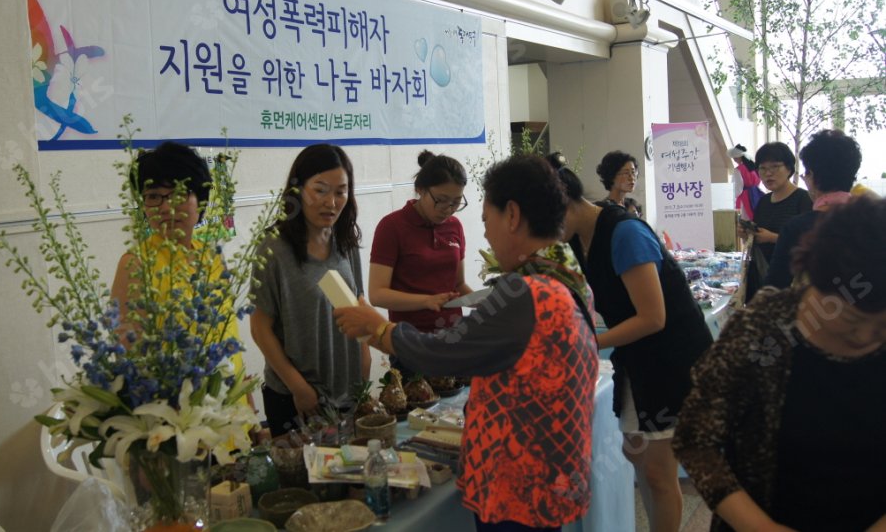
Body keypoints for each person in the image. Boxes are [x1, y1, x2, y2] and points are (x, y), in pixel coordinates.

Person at [335, 155, 599, 532]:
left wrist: (379, 331)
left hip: (519, 483)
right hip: (552, 470)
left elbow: (443, 354)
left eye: (487, 221)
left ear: (512, 215)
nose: (487, 235)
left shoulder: (525, 290)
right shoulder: (567, 272)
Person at [673, 197, 886, 532]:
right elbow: (694, 438)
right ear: (817, 278)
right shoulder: (762, 327)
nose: (869, 337)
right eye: (853, 321)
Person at [549, 151, 713, 532]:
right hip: (640, 359)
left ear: (564, 204)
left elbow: (654, 317)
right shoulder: (580, 238)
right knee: (636, 455)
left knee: (657, 472)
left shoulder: (624, 232)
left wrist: (592, 341)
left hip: (672, 360)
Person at [250, 144, 371, 437]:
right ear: (298, 191)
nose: (331, 202)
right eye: (320, 189)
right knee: (302, 479)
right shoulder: (273, 248)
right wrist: (298, 387)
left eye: (341, 191)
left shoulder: (345, 242)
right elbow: (260, 328)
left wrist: (365, 356)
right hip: (296, 398)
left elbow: (357, 303)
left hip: (346, 392)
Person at [111, 141, 247, 376]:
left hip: (231, 402)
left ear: (201, 201)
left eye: (179, 194)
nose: (166, 207)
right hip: (176, 406)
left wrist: (244, 390)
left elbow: (228, 333)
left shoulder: (212, 256)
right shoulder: (135, 264)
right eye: (154, 196)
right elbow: (131, 357)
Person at [368, 151, 473, 355]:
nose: (448, 209)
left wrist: (482, 300)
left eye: (456, 202)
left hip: (454, 337)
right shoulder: (392, 226)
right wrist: (426, 301)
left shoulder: (454, 226)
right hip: (410, 341)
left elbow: (458, 285)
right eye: (441, 200)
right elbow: (377, 294)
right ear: (420, 190)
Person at [765, 130, 861, 290]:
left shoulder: (798, 228)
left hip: (818, 313)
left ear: (813, 176)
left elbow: (774, 286)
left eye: (806, 173)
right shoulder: (875, 220)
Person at [740, 142, 812, 303]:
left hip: (793, 282)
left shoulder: (804, 199)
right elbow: (759, 236)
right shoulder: (763, 202)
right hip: (764, 278)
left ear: (789, 169)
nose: (768, 174)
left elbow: (809, 245)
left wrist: (772, 237)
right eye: (763, 169)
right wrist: (748, 234)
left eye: (775, 167)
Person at [727, 144, 762, 221]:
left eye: (734, 157)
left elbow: (738, 188)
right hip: (756, 193)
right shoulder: (753, 166)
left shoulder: (738, 169)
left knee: (744, 218)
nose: (734, 159)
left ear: (738, 157)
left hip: (745, 195)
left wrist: (733, 197)